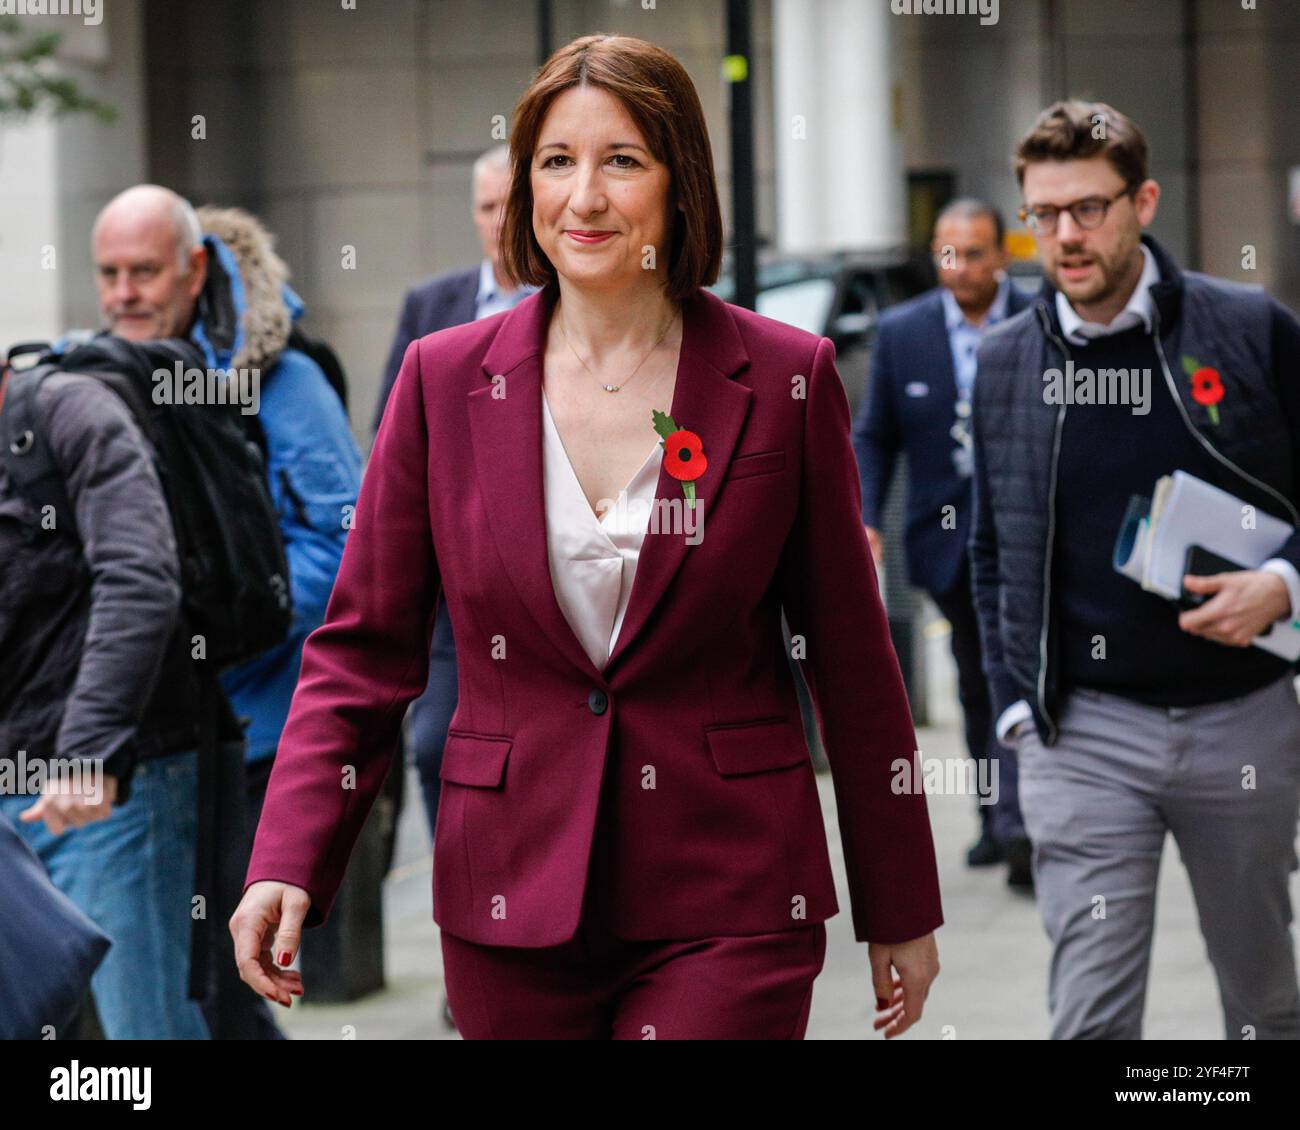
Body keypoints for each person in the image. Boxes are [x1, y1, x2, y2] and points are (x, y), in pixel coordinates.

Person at [233, 34, 942, 1040]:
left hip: (730, 894)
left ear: (679, 183)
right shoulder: (442, 380)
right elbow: (362, 648)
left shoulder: (786, 377)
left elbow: (851, 658)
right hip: (510, 895)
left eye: (622, 160)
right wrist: (288, 857)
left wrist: (899, 899)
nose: (585, 197)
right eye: (556, 161)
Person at [971, 100, 1300, 1038]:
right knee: (1091, 1017)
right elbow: (994, 550)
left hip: (1244, 722)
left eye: (1090, 208)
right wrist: (1015, 712)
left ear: (1143, 201)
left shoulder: (1247, 329)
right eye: (1043, 214)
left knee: (1266, 1002)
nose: (1065, 237)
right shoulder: (1005, 362)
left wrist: (1284, 585)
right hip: (1084, 736)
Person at [0, 192, 229, 1037]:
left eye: (144, 270)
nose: (125, 290)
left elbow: (140, 578)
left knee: (147, 1029)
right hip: (15, 791)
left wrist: (87, 751)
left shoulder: (70, 413)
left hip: (113, 788)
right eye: (110, 273)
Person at [192, 204, 362, 1038]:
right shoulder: (138, 376)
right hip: (175, 727)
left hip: (265, 722)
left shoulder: (285, 381)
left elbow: (342, 541)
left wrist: (227, 625)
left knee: (228, 970)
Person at [852, 198, 1033, 885]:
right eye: (946, 253)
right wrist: (865, 515)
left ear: (1004, 255)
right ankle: (996, 817)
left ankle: (1021, 821)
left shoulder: (1038, 319)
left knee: (1011, 665)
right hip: (946, 539)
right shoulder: (903, 332)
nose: (959, 267)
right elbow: (875, 433)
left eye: (975, 253)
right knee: (976, 675)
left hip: (1025, 536)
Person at [374, 144, 537, 844]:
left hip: (540, 568)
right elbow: (392, 434)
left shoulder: (567, 310)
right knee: (437, 742)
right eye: (487, 207)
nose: (500, 222)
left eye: (511, 205)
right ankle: (465, 888)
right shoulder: (431, 306)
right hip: (453, 574)